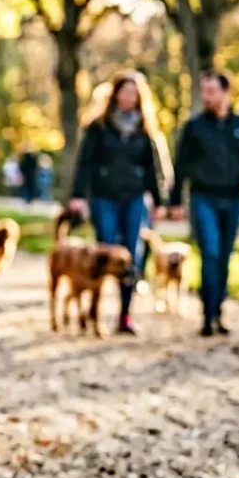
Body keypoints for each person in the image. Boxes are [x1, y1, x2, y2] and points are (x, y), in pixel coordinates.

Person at [169, 69, 239, 337]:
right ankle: (208, 314)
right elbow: (182, 165)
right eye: (204, 91)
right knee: (210, 253)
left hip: (233, 198)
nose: (207, 96)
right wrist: (175, 200)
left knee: (224, 256)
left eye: (211, 91)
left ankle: (218, 310)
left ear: (226, 92)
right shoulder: (195, 127)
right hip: (203, 197)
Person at [68, 71, 169, 336]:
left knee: (131, 255)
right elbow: (85, 163)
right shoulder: (98, 126)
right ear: (115, 95)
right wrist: (78, 195)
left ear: (139, 98)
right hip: (104, 196)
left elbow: (152, 168)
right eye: (124, 92)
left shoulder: (145, 129)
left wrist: (159, 201)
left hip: (134, 197)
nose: (128, 98)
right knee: (104, 254)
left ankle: (125, 315)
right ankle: (95, 313)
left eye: (133, 93)